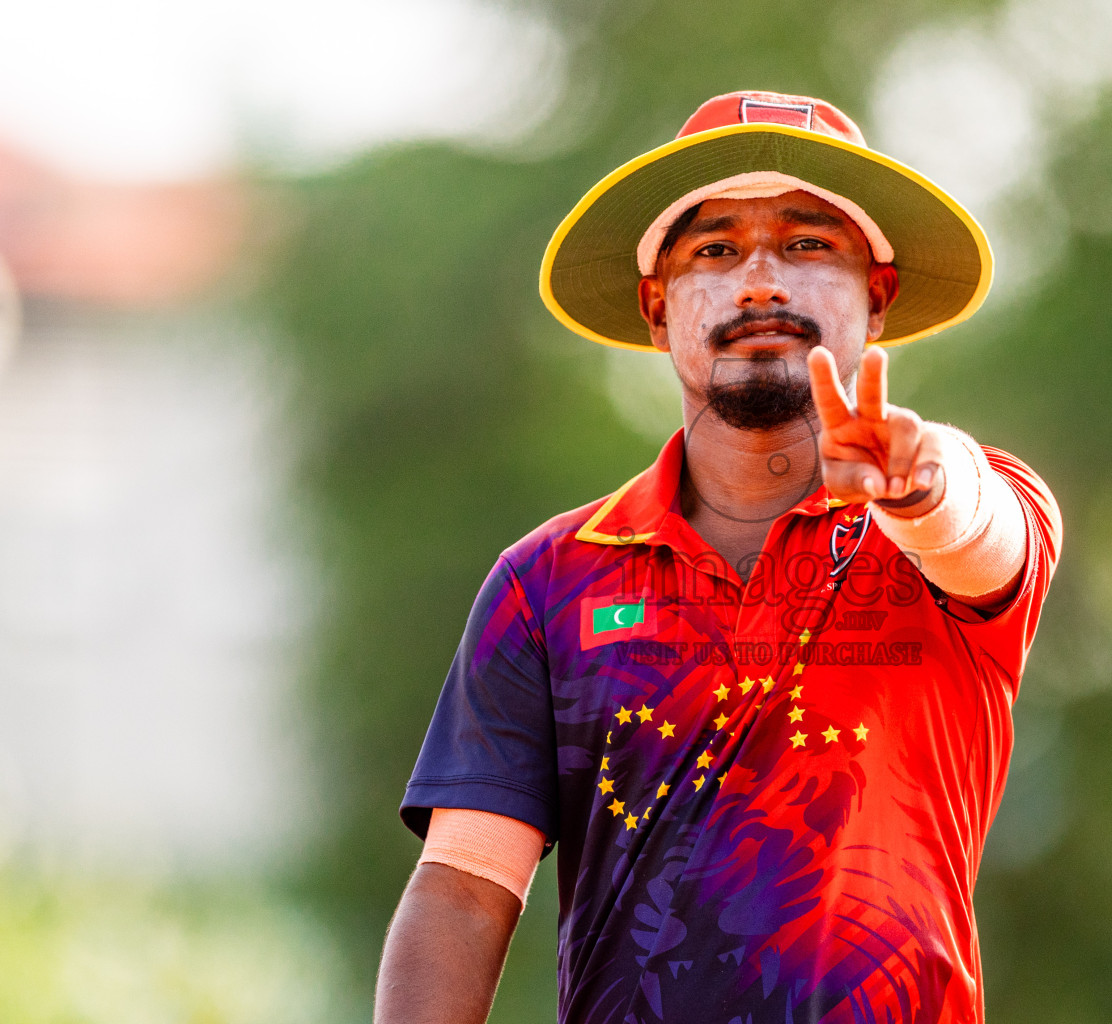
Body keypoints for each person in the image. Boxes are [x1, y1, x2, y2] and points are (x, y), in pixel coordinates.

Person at [375, 90, 1062, 1024]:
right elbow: (464, 885)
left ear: (880, 296)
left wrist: (918, 484)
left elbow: (978, 537)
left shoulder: (961, 519)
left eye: (810, 245)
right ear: (658, 309)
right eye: (716, 251)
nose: (761, 282)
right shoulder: (547, 580)